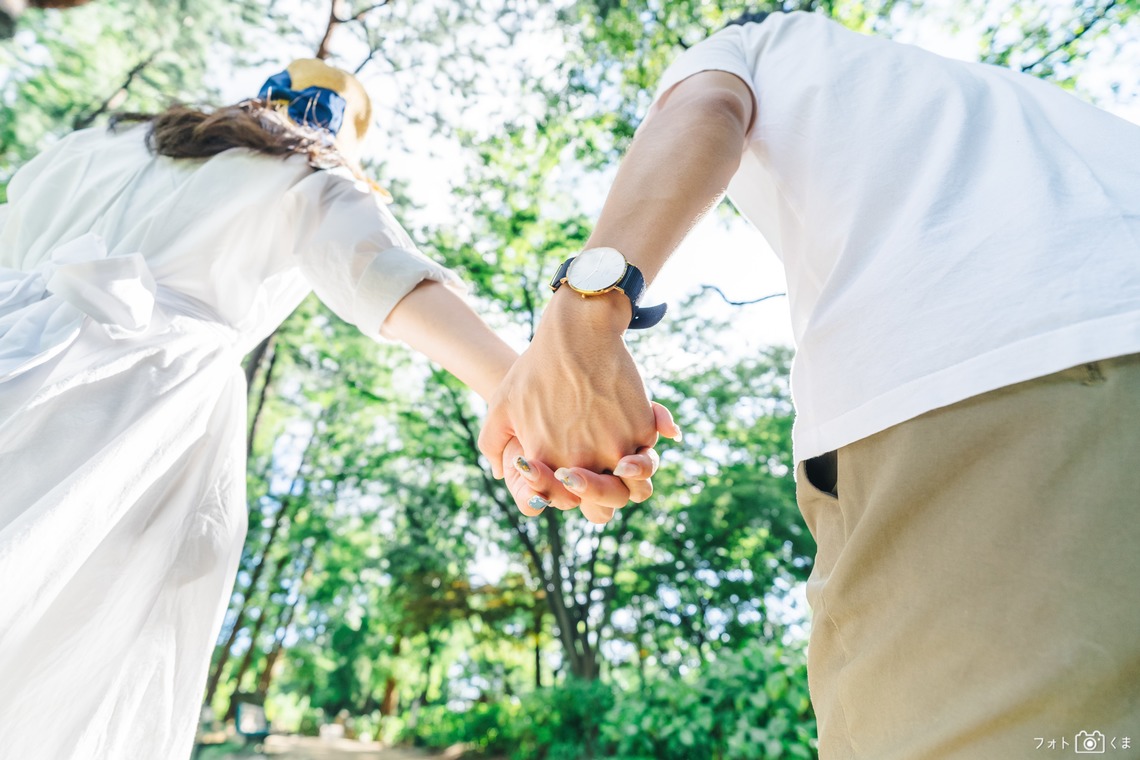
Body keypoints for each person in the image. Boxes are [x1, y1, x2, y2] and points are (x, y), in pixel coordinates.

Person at [480, 11, 1140, 759]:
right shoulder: (1016, 97)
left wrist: (581, 320)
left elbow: (705, 110)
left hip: (995, 384)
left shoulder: (757, 41)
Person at [0, 59, 674, 759]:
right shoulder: (304, 173)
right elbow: (380, 272)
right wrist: (532, 399)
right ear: (333, 128)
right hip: (136, 411)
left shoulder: (89, 147)